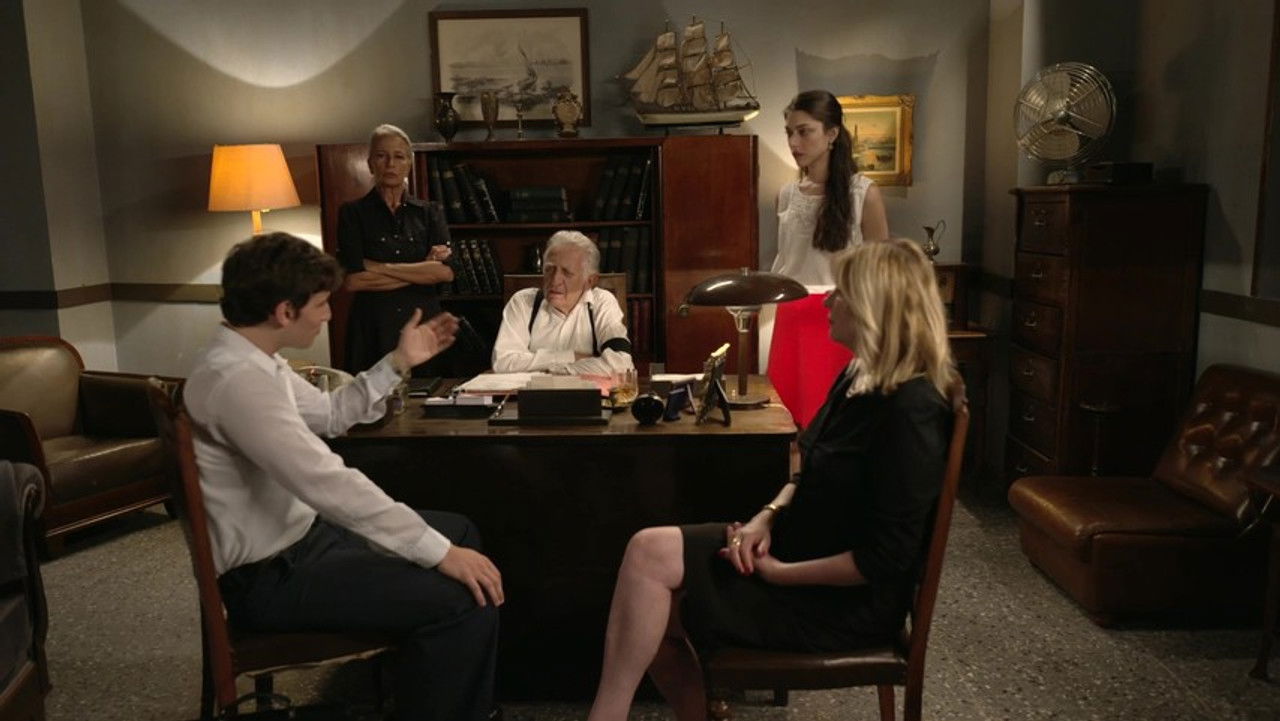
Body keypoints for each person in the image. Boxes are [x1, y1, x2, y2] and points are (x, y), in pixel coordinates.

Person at [586, 238, 957, 721]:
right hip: (796, 545)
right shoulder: (859, 375)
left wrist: (780, 573)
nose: (827, 300)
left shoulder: (912, 410)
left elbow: (883, 559)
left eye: (841, 292)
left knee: (651, 608)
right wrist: (767, 516)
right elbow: (807, 472)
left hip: (836, 602)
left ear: (874, 307)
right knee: (645, 552)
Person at [184, 233, 503, 721]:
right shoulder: (236, 382)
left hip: (302, 541)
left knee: (459, 531)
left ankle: (432, 693)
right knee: (463, 598)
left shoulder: (255, 360)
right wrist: (438, 553)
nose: (329, 315)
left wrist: (399, 362)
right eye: (321, 304)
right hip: (270, 578)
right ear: (284, 312)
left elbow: (332, 414)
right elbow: (326, 483)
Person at [338, 124, 455, 376]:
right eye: (382, 156)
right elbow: (354, 281)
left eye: (399, 156)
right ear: (370, 164)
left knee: (429, 394)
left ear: (409, 164)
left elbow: (444, 273)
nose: (390, 164)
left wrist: (378, 267)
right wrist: (421, 270)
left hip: (423, 325)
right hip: (373, 327)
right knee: (371, 396)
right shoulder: (352, 213)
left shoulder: (429, 212)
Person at [770, 89, 890, 285]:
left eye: (803, 132)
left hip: (840, 301)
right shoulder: (786, 195)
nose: (793, 142)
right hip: (791, 299)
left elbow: (880, 270)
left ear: (832, 134)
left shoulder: (863, 194)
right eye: (789, 133)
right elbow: (785, 262)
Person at [492, 230, 634, 376]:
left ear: (590, 281)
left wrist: (558, 370)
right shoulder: (523, 302)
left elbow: (621, 364)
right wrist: (572, 357)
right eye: (549, 270)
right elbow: (502, 362)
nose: (554, 280)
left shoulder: (602, 302)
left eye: (567, 273)